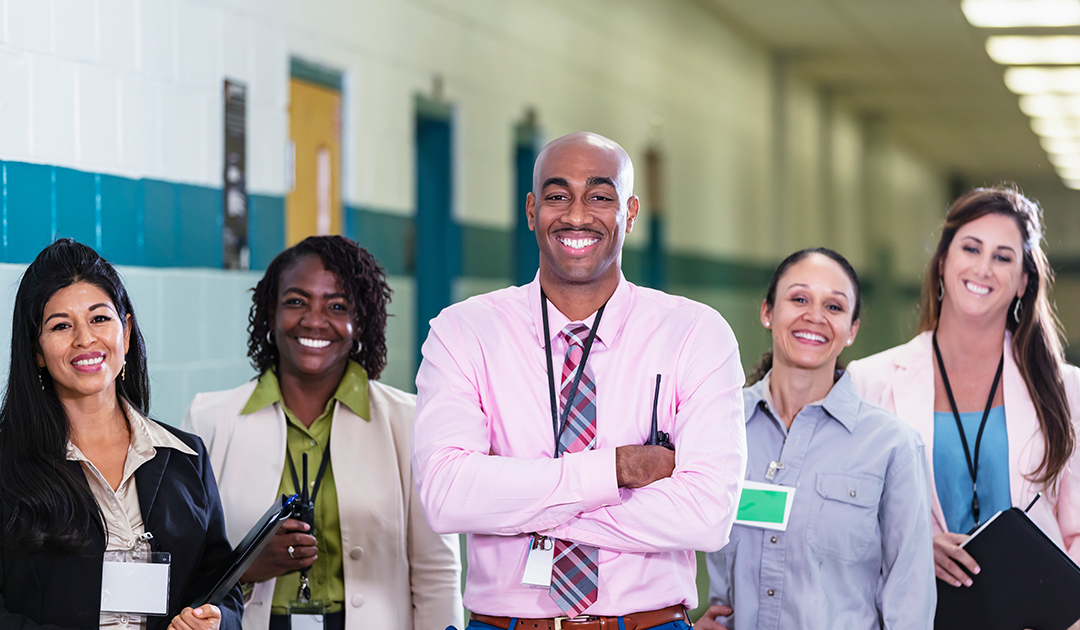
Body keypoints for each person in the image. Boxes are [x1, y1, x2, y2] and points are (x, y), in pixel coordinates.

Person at [411, 131, 747, 629]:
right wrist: (615, 470)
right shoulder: (463, 333)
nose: (576, 214)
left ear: (629, 213)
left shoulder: (695, 335)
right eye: (557, 195)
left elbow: (706, 516)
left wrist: (516, 500)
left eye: (600, 196)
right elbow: (445, 498)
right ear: (531, 210)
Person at [184, 235, 462, 630]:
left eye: (337, 306)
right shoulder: (209, 420)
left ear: (361, 319)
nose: (314, 320)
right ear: (270, 310)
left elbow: (437, 569)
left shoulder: (408, 420)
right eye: (296, 302)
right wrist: (246, 567)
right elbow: (183, 568)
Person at [0, 239, 242, 630]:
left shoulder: (185, 457)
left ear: (125, 333)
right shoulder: (7, 462)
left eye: (100, 319)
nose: (85, 339)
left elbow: (220, 586)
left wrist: (216, 620)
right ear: (37, 352)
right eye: (61, 326)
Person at [847, 187, 1080, 590]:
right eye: (971, 249)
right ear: (942, 263)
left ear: (1023, 282)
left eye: (1003, 257)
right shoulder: (869, 381)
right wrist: (911, 547)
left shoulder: (1067, 390)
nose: (983, 268)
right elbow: (844, 520)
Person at [696, 248, 934, 630]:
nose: (815, 316)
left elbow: (910, 602)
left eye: (835, 307)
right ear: (767, 312)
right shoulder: (717, 425)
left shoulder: (892, 447)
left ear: (852, 330)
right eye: (800, 299)